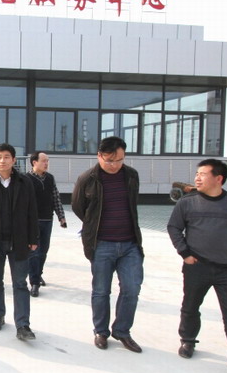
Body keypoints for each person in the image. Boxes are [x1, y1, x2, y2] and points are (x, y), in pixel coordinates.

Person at [167, 159, 227, 373]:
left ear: (218, 178)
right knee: (190, 306)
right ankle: (188, 340)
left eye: (203, 174)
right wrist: (185, 253)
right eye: (197, 174)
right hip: (197, 266)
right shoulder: (187, 202)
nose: (197, 178)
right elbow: (174, 227)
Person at [71, 136, 144, 353]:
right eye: (109, 160)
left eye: (119, 160)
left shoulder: (131, 176)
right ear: (99, 156)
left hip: (130, 244)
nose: (114, 165)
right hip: (101, 244)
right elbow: (78, 207)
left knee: (132, 288)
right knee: (101, 291)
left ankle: (122, 331)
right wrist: (94, 225)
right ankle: (101, 331)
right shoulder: (87, 179)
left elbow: (132, 204)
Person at [0, 143, 39, 341]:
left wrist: (33, 238)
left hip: (19, 240)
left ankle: (23, 325)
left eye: (7, 157)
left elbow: (32, 211)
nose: (2, 161)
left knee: (20, 283)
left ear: (14, 160)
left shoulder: (25, 183)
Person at [27, 151, 67, 296]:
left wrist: (61, 217)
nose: (46, 163)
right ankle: (34, 282)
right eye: (43, 161)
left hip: (47, 220)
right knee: (34, 252)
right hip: (32, 221)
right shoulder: (26, 179)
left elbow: (56, 198)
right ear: (34, 162)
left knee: (43, 251)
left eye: (47, 161)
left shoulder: (50, 178)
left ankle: (38, 273)